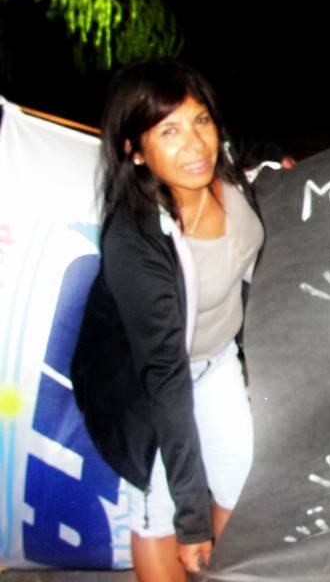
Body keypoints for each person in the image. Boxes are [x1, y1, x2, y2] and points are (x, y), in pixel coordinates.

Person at [71, 60, 263, 581]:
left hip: (216, 360)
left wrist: (277, 162)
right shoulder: (135, 240)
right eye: (169, 131)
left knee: (241, 486)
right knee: (161, 515)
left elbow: (249, 157)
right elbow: (164, 378)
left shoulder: (226, 175)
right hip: (146, 387)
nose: (195, 145)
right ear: (135, 150)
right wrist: (191, 519)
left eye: (201, 121)